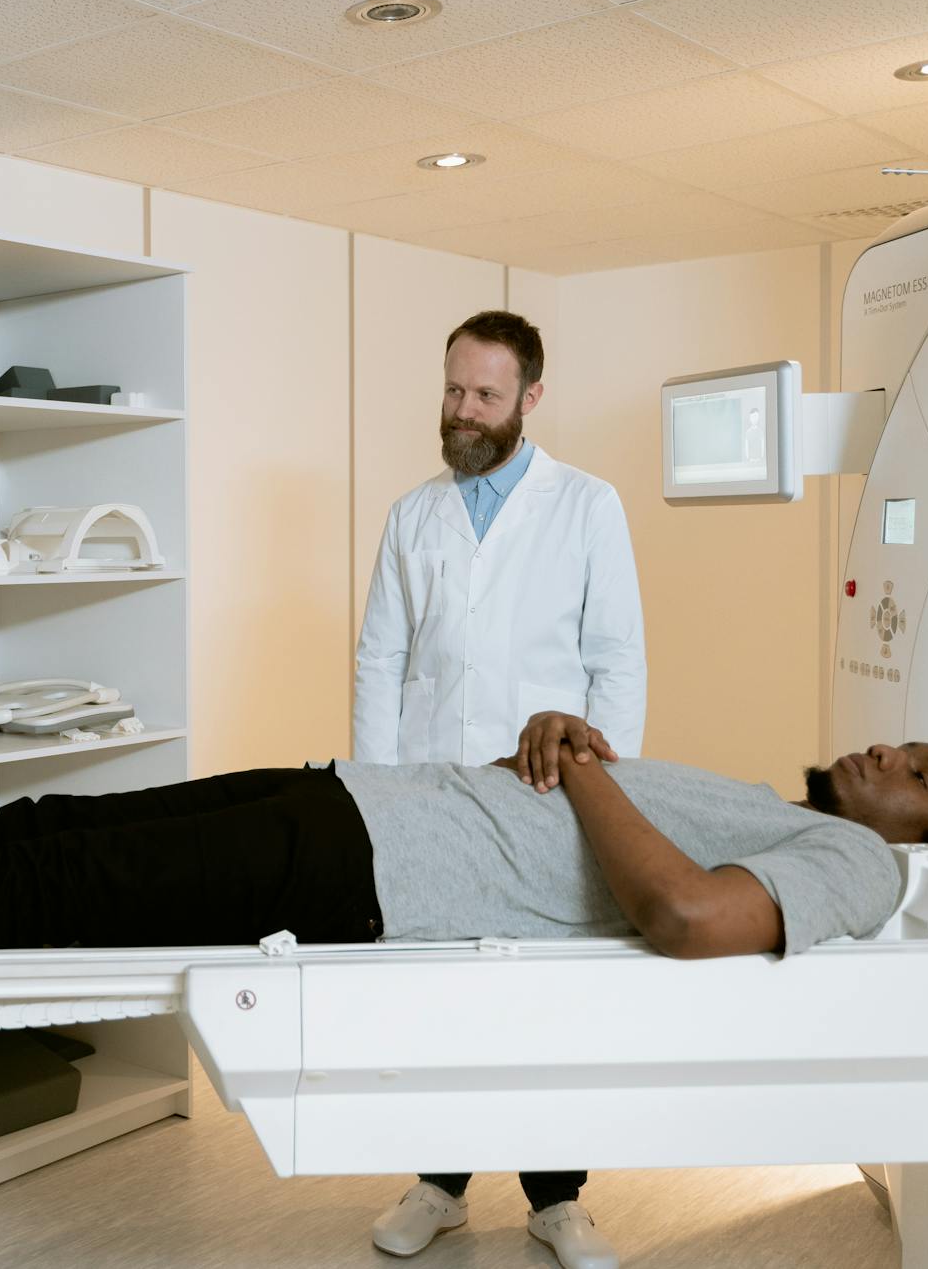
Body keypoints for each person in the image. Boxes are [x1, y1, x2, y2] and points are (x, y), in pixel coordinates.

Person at [0, 719, 928, 967]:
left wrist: (572, 758)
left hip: (364, 877)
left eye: (926, 767)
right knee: (31, 825)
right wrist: (544, 747)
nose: (895, 752)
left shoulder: (863, 873)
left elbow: (686, 917)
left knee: (30, 891)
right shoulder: (788, 797)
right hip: (356, 798)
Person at [351, 309, 646, 1266]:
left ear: (531, 397)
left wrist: (607, 794)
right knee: (439, 994)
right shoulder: (412, 515)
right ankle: (441, 1183)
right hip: (432, 791)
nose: (463, 410)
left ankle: (558, 1199)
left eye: (484, 394)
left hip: (547, 795)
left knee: (549, 999)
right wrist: (377, 791)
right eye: (452, 390)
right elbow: (380, 664)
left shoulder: (587, 505)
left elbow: (617, 661)